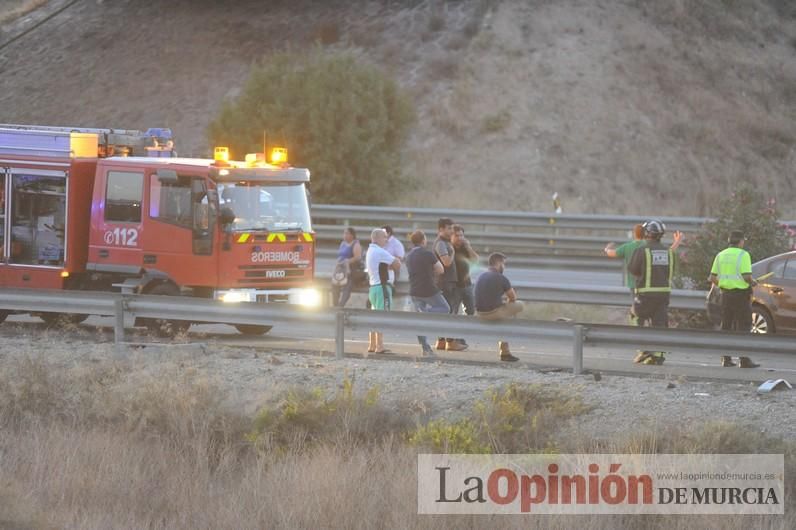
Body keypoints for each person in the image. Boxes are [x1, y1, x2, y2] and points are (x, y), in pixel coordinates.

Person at [708, 230, 759, 368]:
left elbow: (712, 278)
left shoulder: (720, 255)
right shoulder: (744, 255)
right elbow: (747, 277)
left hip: (725, 295)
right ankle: (744, 360)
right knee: (744, 326)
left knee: (726, 326)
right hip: (741, 296)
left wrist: (724, 285)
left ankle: (726, 359)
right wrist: (753, 282)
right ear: (741, 241)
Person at [627, 220, 674, 365]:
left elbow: (633, 269)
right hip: (664, 294)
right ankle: (658, 354)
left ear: (647, 233)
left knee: (636, 316)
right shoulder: (668, 252)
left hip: (645, 295)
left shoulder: (642, 250)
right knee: (659, 323)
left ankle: (643, 349)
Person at [405, 229, 450, 356]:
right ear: (423, 240)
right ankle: (426, 313)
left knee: (419, 321)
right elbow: (441, 270)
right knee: (445, 308)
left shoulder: (409, 256)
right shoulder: (427, 253)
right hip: (429, 289)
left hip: (414, 290)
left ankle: (425, 348)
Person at [474, 252, 524, 362]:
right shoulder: (501, 278)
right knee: (520, 305)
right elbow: (513, 298)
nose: (504, 267)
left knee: (504, 312)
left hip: (479, 313)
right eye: (504, 264)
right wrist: (507, 303)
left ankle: (505, 344)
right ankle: (505, 351)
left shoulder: (481, 276)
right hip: (492, 313)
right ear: (499, 263)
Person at [432, 218, 467, 351]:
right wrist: (452, 253)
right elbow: (446, 262)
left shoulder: (444, 242)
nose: (451, 231)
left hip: (445, 282)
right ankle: (450, 342)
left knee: (444, 312)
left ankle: (441, 341)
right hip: (445, 283)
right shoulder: (441, 243)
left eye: (452, 228)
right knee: (450, 312)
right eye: (448, 228)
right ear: (441, 229)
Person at [365, 228, 401, 354]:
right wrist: (391, 263)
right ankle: (380, 346)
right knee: (381, 316)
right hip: (382, 288)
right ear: (378, 238)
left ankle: (372, 344)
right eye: (385, 237)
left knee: (374, 316)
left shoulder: (370, 250)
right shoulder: (380, 251)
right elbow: (397, 263)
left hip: (373, 287)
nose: (386, 239)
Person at [451, 224, 479, 315]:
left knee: (471, 311)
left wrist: (468, 247)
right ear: (451, 236)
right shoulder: (449, 248)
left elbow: (476, 260)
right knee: (452, 312)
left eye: (461, 235)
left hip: (467, 285)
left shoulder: (465, 248)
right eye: (456, 235)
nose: (459, 238)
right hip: (454, 287)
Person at [331, 227, 362, 307]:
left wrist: (347, 261)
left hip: (350, 268)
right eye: (344, 233)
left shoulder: (356, 244)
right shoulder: (343, 243)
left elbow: (358, 257)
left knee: (347, 286)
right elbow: (340, 256)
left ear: (352, 235)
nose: (344, 235)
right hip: (340, 268)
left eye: (347, 233)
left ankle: (341, 305)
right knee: (335, 284)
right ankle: (335, 304)